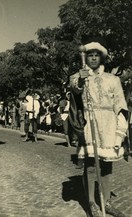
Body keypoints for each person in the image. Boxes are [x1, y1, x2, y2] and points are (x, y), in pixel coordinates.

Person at [70, 38, 128, 217]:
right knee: (90, 165)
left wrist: (120, 132)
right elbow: (75, 89)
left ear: (101, 58)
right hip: (90, 122)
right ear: (85, 58)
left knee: (107, 165)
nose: (93, 58)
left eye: (96, 56)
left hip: (109, 124)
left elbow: (120, 105)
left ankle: (107, 202)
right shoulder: (78, 77)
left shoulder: (113, 79)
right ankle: (92, 204)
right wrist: (81, 78)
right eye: (90, 56)